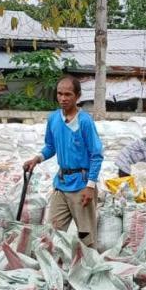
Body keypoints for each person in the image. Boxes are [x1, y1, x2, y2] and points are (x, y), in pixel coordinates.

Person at [22, 76, 104, 247]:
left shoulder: (85, 122)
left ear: (78, 96)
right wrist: (37, 159)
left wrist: (90, 186)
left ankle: (88, 268)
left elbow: (96, 155)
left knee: (86, 236)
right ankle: (55, 267)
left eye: (68, 94)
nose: (63, 98)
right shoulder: (53, 119)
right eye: (60, 94)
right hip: (61, 183)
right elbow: (51, 146)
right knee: (52, 232)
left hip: (81, 185)